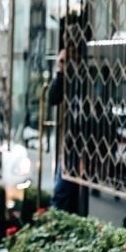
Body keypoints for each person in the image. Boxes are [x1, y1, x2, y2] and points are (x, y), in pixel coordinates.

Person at [48, 47, 80, 213]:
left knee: (64, 187)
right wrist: (60, 71)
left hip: (87, 140)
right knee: (63, 185)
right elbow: (53, 98)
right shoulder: (68, 78)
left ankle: (54, 219)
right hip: (72, 140)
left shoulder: (88, 73)